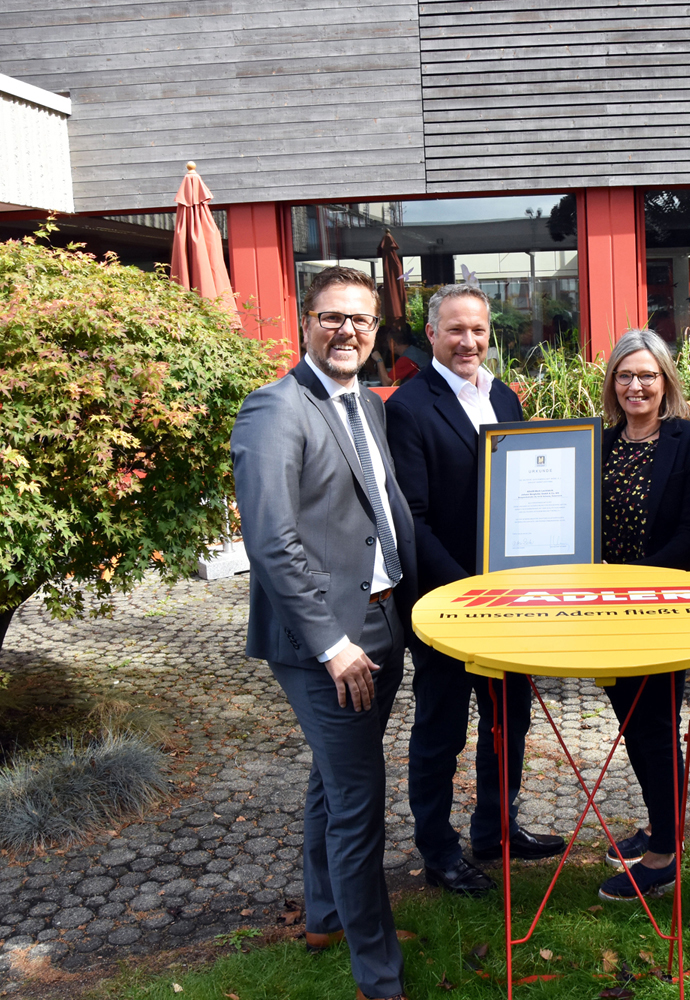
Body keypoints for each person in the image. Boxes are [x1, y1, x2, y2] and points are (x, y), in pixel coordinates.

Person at [230, 266, 415, 1000]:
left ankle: (325, 915)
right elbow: (271, 543)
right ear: (306, 322)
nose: (348, 331)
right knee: (358, 800)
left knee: (334, 779)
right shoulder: (274, 409)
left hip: (382, 620)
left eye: (361, 320)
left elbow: (378, 508)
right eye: (333, 317)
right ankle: (380, 974)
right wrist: (334, 646)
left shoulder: (366, 402)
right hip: (328, 644)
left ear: (375, 331)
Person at [385, 283, 565, 896]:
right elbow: (413, 519)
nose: (468, 341)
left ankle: (495, 830)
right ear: (431, 333)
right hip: (447, 602)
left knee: (509, 719)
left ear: (491, 334)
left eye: (478, 330)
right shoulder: (409, 408)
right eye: (456, 329)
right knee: (441, 730)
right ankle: (438, 851)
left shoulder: (505, 396)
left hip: (510, 600)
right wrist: (466, 590)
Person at [593, 329, 690, 903]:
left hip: (659, 607)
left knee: (656, 727)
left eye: (647, 375)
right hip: (604, 611)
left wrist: (632, 582)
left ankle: (664, 855)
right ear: (612, 384)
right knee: (631, 722)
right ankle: (661, 823)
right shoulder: (598, 443)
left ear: (666, 381)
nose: (635, 385)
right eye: (625, 375)